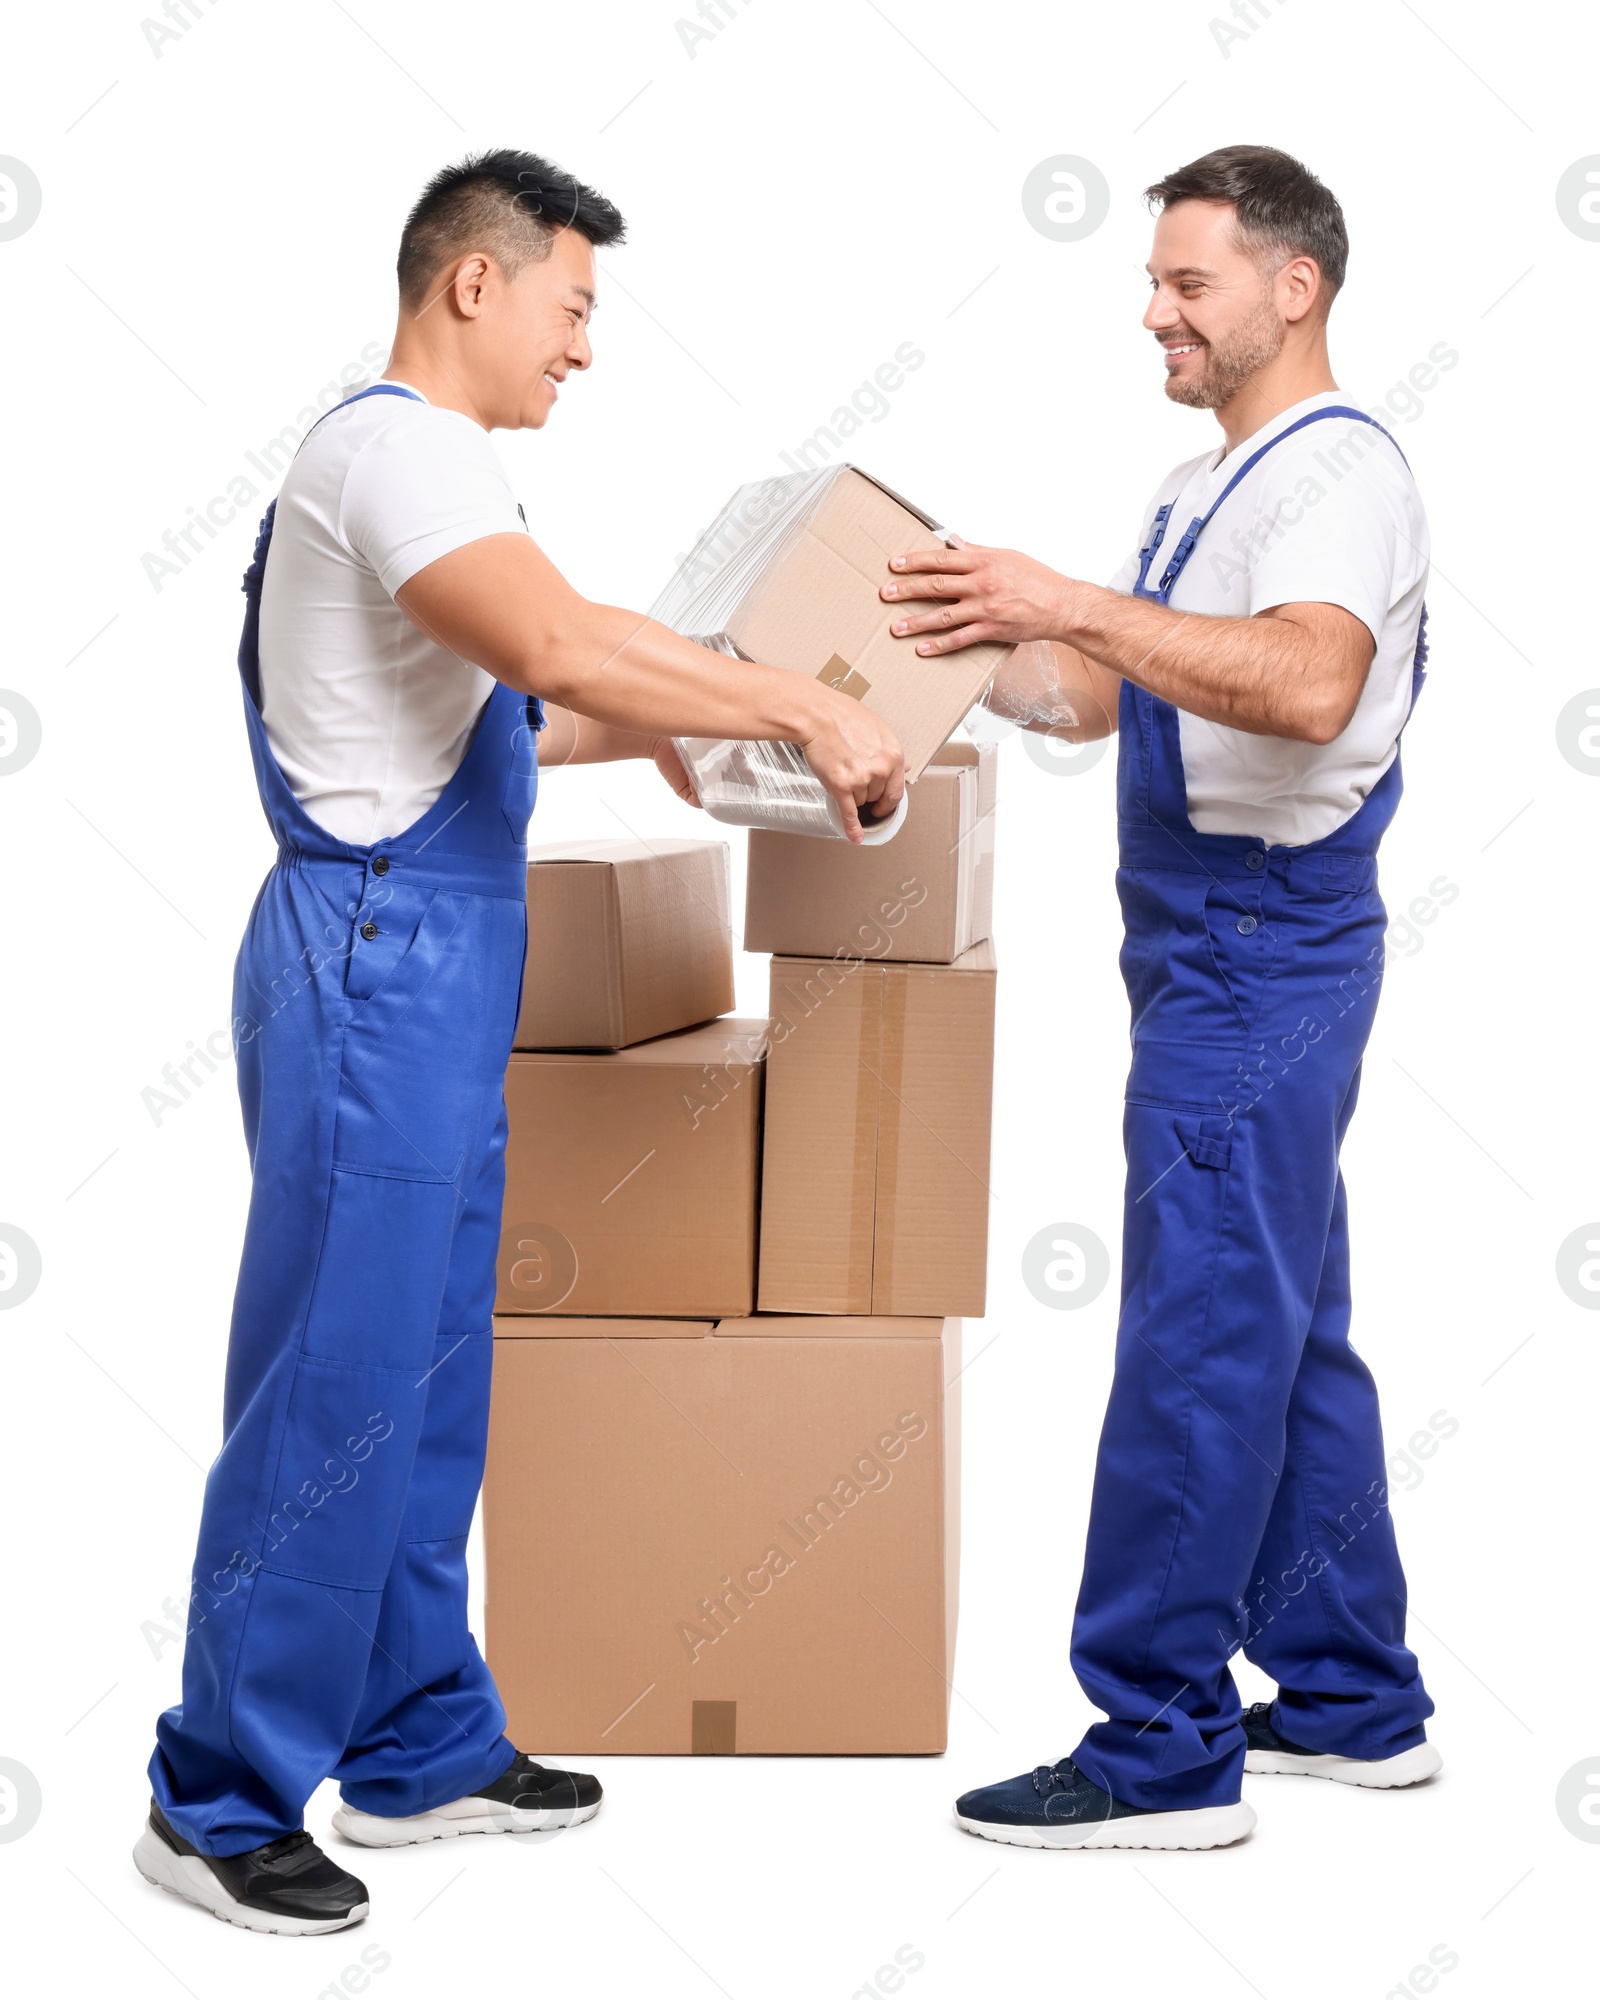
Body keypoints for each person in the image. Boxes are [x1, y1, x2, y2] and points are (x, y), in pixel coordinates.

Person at [136, 148, 906, 1935]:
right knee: (333, 1377)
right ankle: (219, 1790)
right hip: (377, 955)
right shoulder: (394, 447)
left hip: (439, 954)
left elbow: (520, 718)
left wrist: (703, 733)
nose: (585, 350)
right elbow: (558, 642)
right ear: (474, 286)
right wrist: (793, 692)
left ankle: (415, 1735)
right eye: (574, 306)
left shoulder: (438, 475)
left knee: (420, 1371)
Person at [883, 145, 1440, 1850]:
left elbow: (1307, 678)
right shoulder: (1212, 485)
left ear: (1295, 287)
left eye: (1187, 284)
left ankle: (1158, 1744)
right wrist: (950, 661)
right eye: (1155, 282)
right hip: (1212, 943)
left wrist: (1067, 599)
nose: (1156, 313)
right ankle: (1351, 1700)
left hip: (1258, 946)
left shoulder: (1333, 477)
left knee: (1199, 1332)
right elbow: (1118, 689)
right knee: (1283, 1326)